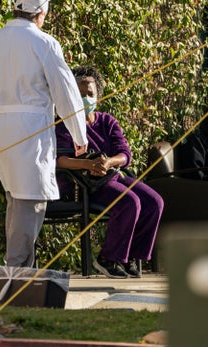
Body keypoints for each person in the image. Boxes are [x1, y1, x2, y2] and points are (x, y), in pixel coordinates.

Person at [0, 0, 88, 269]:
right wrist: (79, 133)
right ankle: (18, 269)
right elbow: (65, 91)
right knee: (31, 200)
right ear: (40, 13)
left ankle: (20, 266)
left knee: (16, 198)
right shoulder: (44, 43)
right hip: (30, 130)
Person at [55, 65, 163, 278]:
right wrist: (88, 165)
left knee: (154, 202)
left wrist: (109, 161)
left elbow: (124, 154)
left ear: (98, 96)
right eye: (80, 94)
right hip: (82, 182)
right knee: (129, 202)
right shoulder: (63, 123)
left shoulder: (106, 121)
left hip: (110, 174)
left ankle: (129, 256)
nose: (86, 98)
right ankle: (108, 258)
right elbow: (58, 160)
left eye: (90, 94)